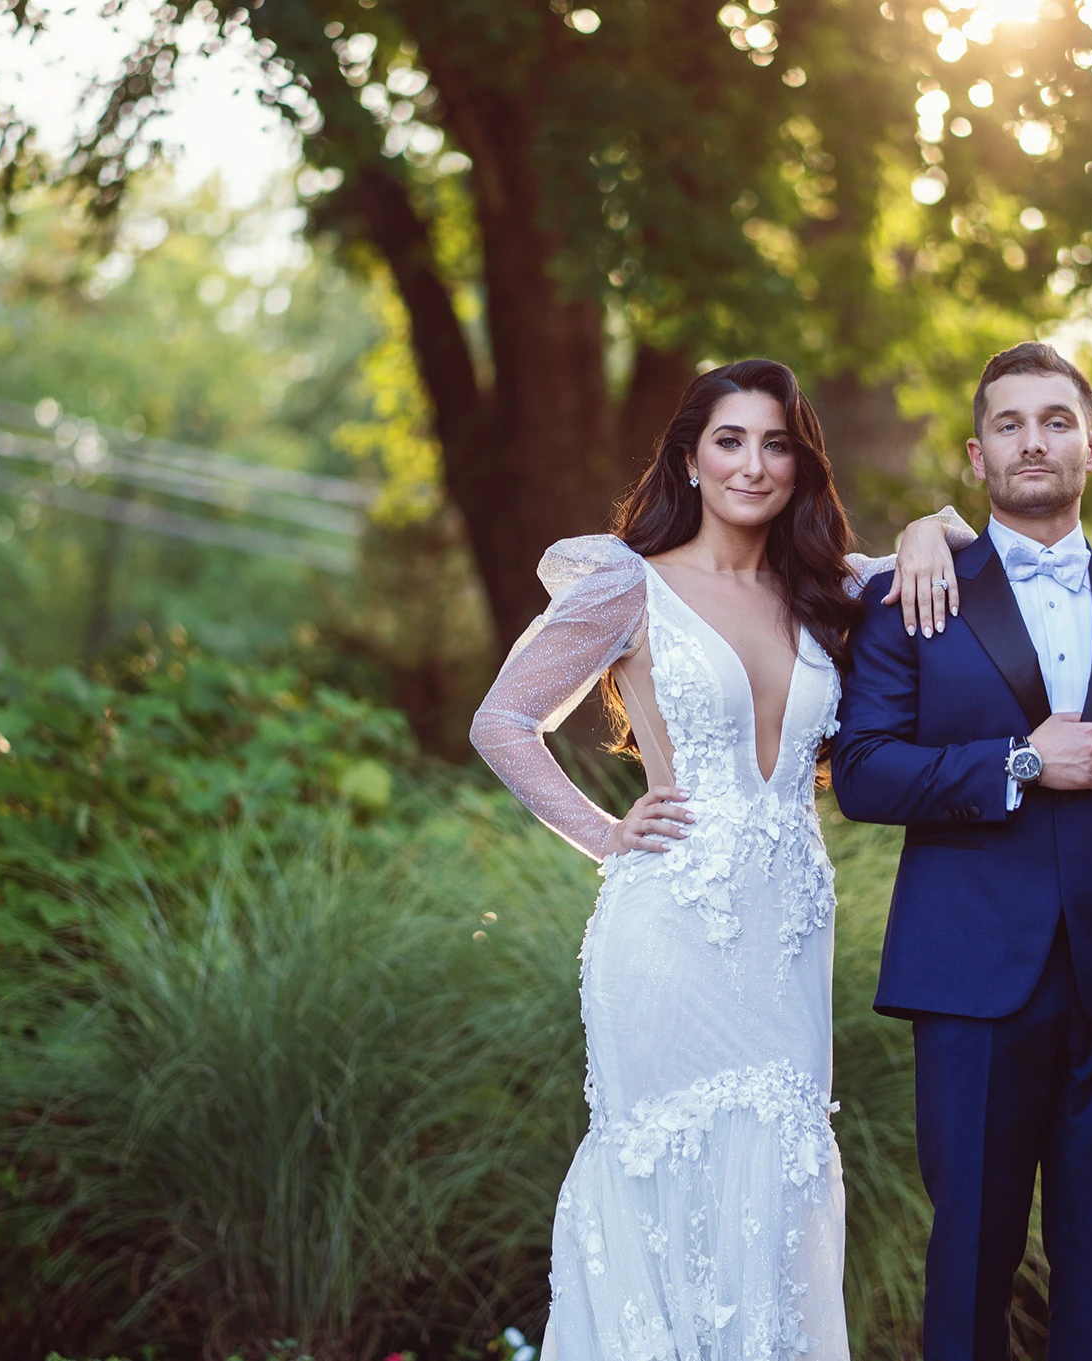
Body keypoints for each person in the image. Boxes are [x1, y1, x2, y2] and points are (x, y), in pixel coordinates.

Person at [469, 358, 973, 1361]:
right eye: (729, 440)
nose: (752, 462)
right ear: (690, 460)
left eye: (775, 442)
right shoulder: (627, 582)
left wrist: (930, 523)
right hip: (668, 931)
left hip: (784, 941)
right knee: (660, 1175)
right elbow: (503, 720)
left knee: (779, 1182)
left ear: (799, 462)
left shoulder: (830, 587)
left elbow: (964, 546)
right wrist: (603, 833)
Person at [831, 342, 1092, 1361]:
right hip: (969, 979)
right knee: (969, 1262)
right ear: (976, 457)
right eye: (1008, 423)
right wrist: (1017, 760)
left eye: (1054, 420)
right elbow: (865, 771)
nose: (1032, 440)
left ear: (1089, 445)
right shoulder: (913, 597)